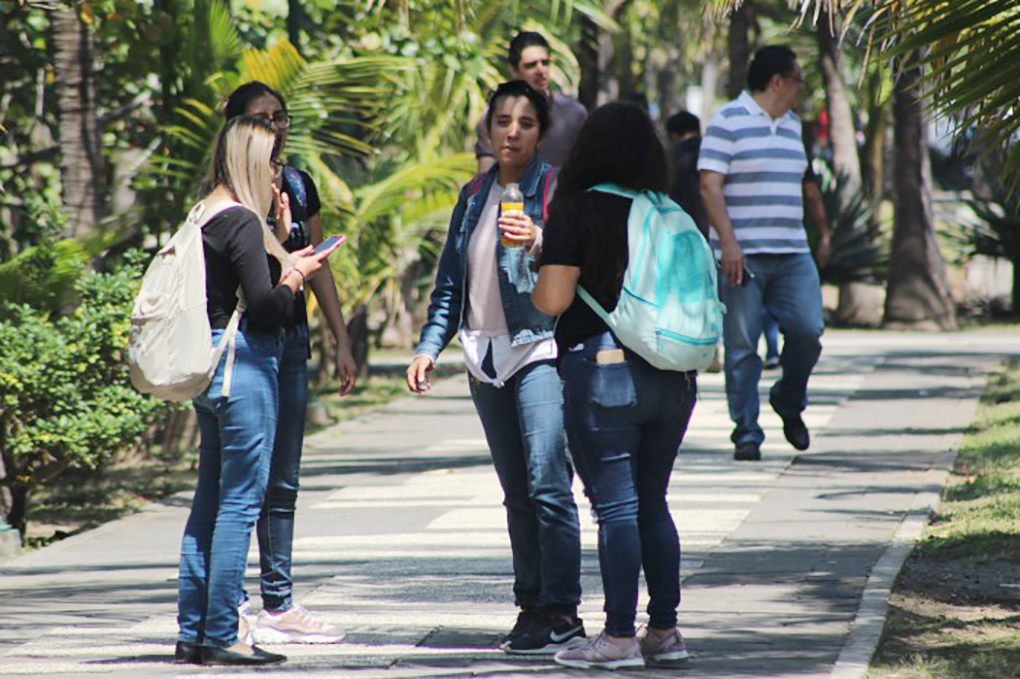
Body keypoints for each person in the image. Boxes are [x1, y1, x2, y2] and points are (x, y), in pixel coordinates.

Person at [407, 80, 585, 655]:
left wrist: (539, 239)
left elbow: (578, 262)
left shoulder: (553, 188)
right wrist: (428, 347)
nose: (512, 132)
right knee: (516, 494)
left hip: (538, 348)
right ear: (487, 129)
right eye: (503, 121)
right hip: (483, 357)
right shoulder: (472, 195)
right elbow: (449, 286)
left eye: (526, 123)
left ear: (541, 133)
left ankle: (563, 610)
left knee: (548, 484)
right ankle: (531, 607)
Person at [532, 102, 697, 670]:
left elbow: (554, 299)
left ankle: (620, 637)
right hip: (672, 374)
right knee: (654, 502)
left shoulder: (578, 209)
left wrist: (537, 270)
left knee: (617, 509)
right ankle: (665, 632)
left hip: (604, 373)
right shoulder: (666, 210)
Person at [175, 116, 337, 666]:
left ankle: (194, 628)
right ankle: (224, 631)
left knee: (209, 501)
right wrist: (298, 273)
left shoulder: (205, 214)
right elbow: (268, 308)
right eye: (271, 163)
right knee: (240, 503)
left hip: (210, 362)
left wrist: (282, 238)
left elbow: (237, 283)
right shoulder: (242, 220)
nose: (277, 175)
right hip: (244, 365)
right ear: (250, 162)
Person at [222, 81, 357, 644]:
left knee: (284, 478)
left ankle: (278, 600)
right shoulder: (228, 192)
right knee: (241, 481)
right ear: (237, 127)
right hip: (246, 346)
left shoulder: (298, 185)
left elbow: (317, 265)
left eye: (280, 117)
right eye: (262, 118)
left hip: (292, 340)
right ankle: (231, 602)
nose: (275, 128)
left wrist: (340, 338)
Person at [698, 45, 831, 462]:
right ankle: (747, 432)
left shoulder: (793, 126)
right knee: (741, 347)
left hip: (792, 252)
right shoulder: (727, 120)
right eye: (797, 80)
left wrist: (823, 231)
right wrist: (728, 243)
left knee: (808, 331)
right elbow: (709, 185)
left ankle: (788, 399)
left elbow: (806, 185)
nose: (800, 88)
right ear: (778, 81)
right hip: (743, 255)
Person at [476, 32, 587, 172]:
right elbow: (486, 169)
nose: (540, 70)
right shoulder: (495, 115)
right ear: (513, 70)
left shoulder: (573, 113)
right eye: (531, 65)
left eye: (545, 63)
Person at [665, 111, 709, 238]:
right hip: (716, 227)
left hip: (683, 229)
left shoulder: (669, 159)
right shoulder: (712, 153)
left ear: (673, 136)